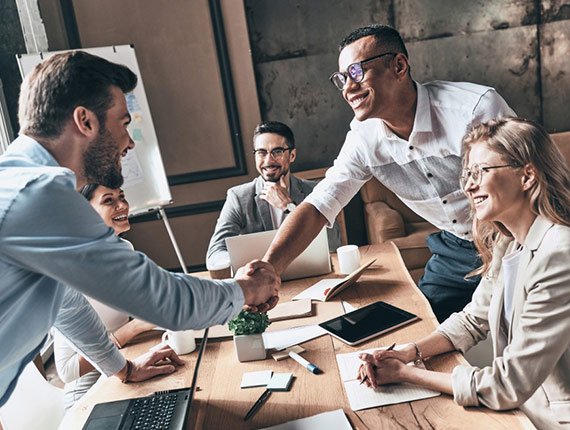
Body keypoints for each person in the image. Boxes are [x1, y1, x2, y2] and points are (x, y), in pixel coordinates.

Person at [0, 51, 279, 406]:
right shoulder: (39, 197)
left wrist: (123, 370)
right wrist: (247, 289)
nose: (129, 142)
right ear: (85, 121)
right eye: (123, 122)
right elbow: (165, 301)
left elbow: (67, 303)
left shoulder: (18, 183)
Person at [262, 24, 514, 322]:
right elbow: (319, 206)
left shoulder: (473, 109)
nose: (347, 88)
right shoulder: (363, 139)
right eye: (342, 79)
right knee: (422, 327)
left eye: (357, 72)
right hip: (455, 246)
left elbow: (525, 187)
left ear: (398, 66)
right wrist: (268, 269)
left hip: (511, 236)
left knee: (516, 326)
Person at [357, 118, 570, 429]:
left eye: (481, 172)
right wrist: (408, 352)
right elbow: (473, 319)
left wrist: (408, 375)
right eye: (468, 174)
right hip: (518, 410)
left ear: (527, 175)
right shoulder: (509, 243)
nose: (469, 186)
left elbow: (508, 385)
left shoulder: (559, 253)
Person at [53, 184, 168, 409]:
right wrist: (131, 330)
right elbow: (67, 371)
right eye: (109, 201)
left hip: (127, 364)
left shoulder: (125, 249)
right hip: (87, 389)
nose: (122, 205)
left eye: (122, 197)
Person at [206, 121, 341, 273]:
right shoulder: (238, 197)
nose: (269, 161)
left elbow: (334, 243)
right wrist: (246, 267)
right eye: (261, 152)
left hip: (310, 276)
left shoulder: (315, 190)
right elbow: (215, 253)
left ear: (292, 155)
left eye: (277, 152)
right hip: (259, 281)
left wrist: (289, 207)